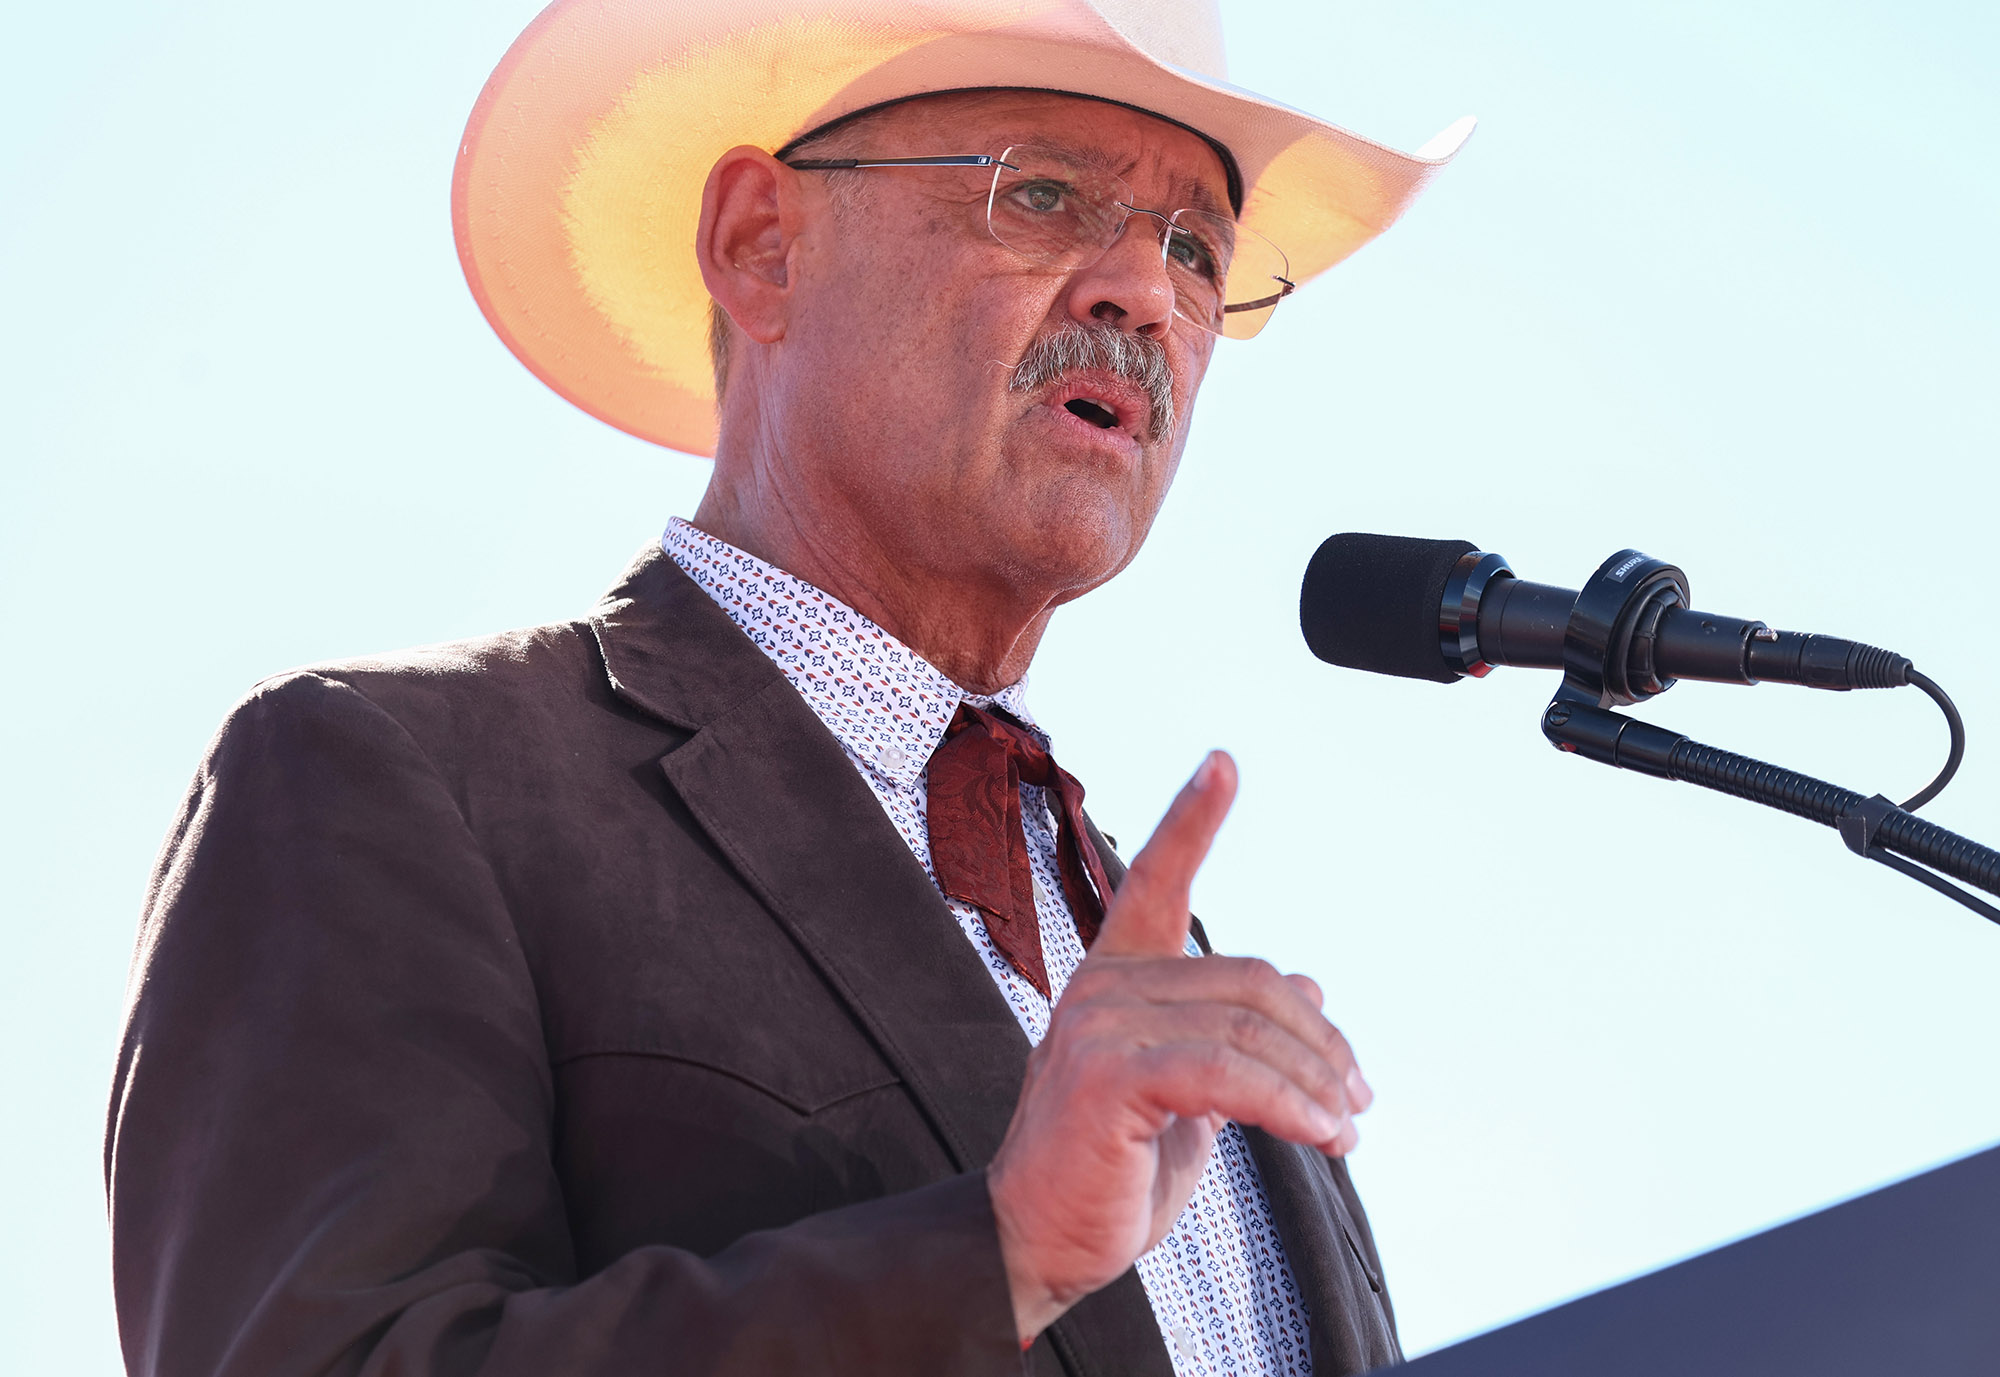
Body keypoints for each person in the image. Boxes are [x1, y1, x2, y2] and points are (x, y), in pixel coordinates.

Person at [106, 1, 1471, 1373]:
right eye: (1045, 193)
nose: (1148, 294)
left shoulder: (1170, 982)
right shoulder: (389, 782)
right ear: (761, 246)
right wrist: (997, 1253)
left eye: (1196, 249)